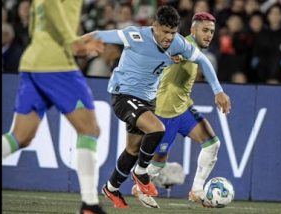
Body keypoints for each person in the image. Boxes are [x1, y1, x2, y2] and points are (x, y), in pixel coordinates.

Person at [83, 5, 231, 208]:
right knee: (155, 139)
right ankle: (140, 176)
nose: (169, 37)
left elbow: (203, 61)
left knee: (133, 150)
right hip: (139, 101)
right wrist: (76, 44)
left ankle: (112, 187)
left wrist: (218, 90)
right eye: (165, 32)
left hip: (163, 105)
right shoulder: (140, 37)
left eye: (173, 32)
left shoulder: (179, 44)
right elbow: (101, 35)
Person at [1, 1, 105, 214]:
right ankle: (90, 205)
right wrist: (72, 42)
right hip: (56, 64)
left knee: (21, 136)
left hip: (33, 61)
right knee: (89, 130)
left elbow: (35, 21)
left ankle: (90, 205)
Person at [143, 11, 224, 208]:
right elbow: (163, 49)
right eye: (204, 30)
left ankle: (197, 190)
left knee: (212, 144)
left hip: (183, 108)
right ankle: (139, 186)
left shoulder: (194, 48)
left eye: (211, 31)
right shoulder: (180, 44)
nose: (209, 35)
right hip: (165, 112)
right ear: (192, 30)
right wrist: (218, 91)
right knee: (159, 160)